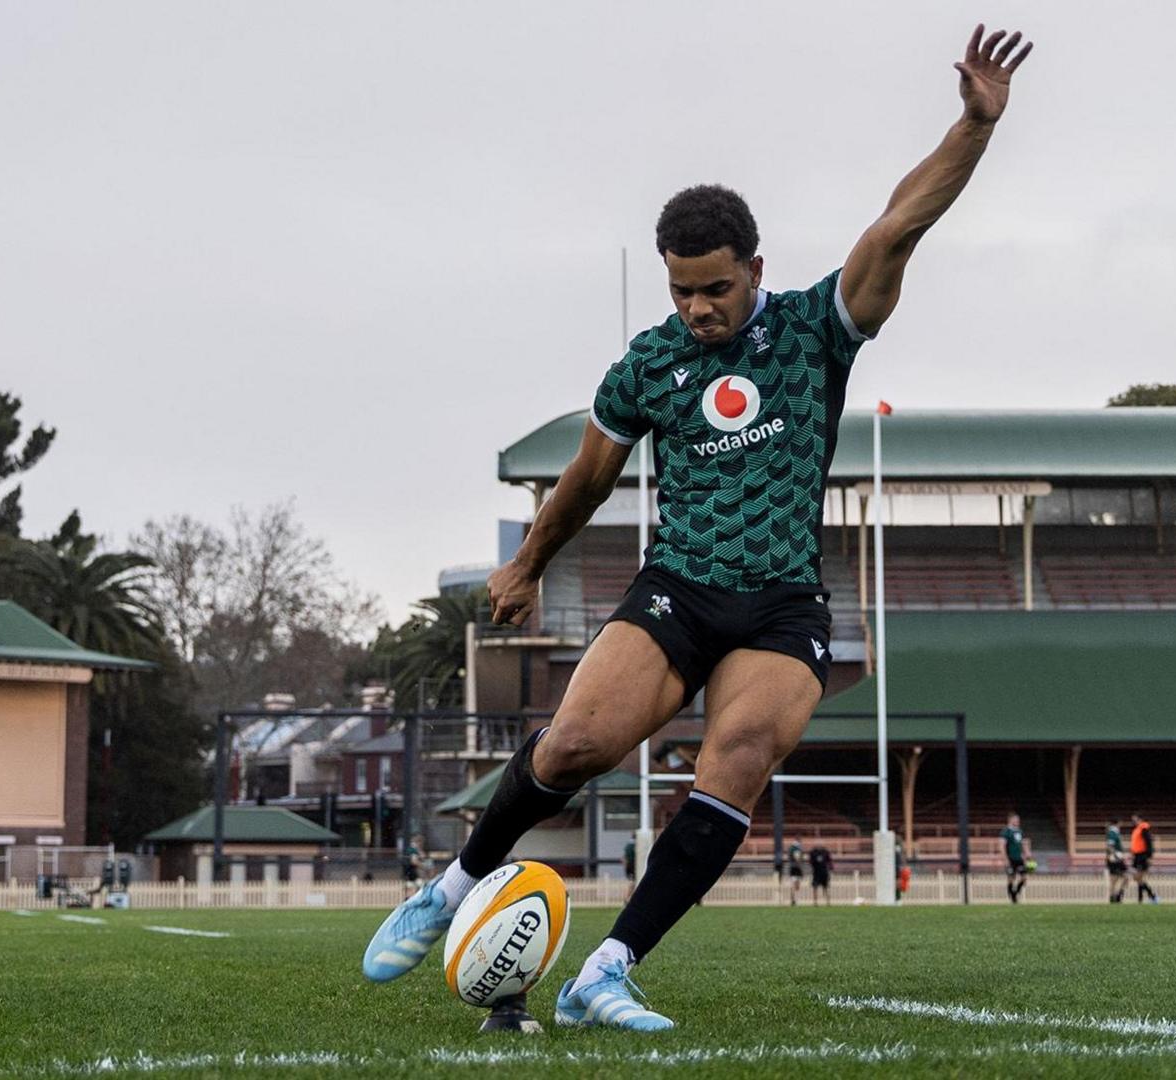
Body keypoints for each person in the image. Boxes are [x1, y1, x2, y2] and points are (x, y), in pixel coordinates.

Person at [361, 22, 1036, 1033]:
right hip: (677, 585)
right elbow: (590, 477)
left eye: (715, 287)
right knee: (576, 743)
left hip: (779, 600)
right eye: (682, 289)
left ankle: (610, 968)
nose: (699, 308)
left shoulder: (815, 328)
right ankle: (450, 889)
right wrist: (529, 567)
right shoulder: (648, 363)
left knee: (744, 749)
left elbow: (897, 226)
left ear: (754, 268)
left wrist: (973, 128)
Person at [1000, 813, 1032, 904]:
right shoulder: (1006, 831)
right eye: (1016, 819)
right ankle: (1012, 897)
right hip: (1010, 858)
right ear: (1010, 820)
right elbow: (1002, 846)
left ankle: (1015, 893)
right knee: (1011, 878)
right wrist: (1005, 859)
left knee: (1024, 878)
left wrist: (1027, 854)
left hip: (1019, 858)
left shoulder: (1020, 831)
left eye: (1018, 820)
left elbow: (1023, 844)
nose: (1018, 821)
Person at [1129, 813, 1159, 904]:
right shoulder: (1137, 829)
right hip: (1137, 856)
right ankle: (1146, 897)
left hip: (1142, 856)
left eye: (1135, 820)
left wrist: (1149, 856)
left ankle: (1149, 896)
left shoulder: (1144, 828)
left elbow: (1149, 843)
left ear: (1140, 819)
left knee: (1138, 877)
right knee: (1138, 878)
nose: (1133, 822)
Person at [1104, 817, 1128, 903]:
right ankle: (1115, 897)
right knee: (1119, 878)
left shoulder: (1114, 832)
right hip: (1114, 859)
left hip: (1115, 858)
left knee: (1119, 878)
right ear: (1119, 823)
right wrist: (1116, 855)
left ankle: (1116, 896)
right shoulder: (1112, 832)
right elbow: (1110, 846)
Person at [785, 837, 805, 906]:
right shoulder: (796, 848)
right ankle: (795, 899)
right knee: (796, 885)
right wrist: (801, 868)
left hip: (792, 867)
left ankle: (793, 899)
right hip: (796, 867)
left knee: (793, 884)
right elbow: (797, 858)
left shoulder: (791, 848)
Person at [622, 834, 638, 899]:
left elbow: (624, 858)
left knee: (631, 882)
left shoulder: (627, 846)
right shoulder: (635, 845)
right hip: (633, 865)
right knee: (633, 882)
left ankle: (628, 897)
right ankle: (627, 897)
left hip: (628, 866)